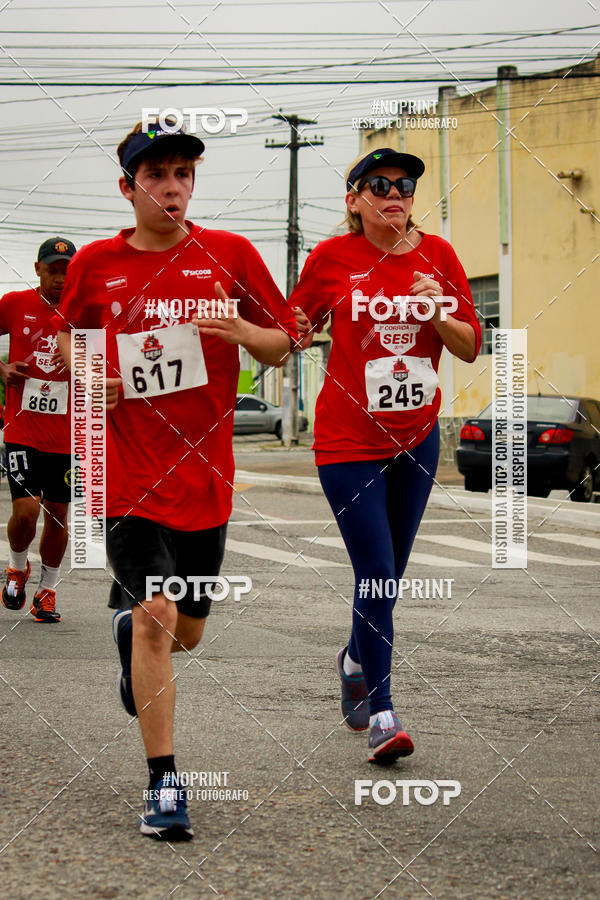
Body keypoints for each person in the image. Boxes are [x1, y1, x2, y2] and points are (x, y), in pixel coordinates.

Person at [56, 119, 296, 841]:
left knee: (185, 631)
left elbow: (283, 341)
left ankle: (130, 632)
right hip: (127, 474)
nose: (171, 187)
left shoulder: (231, 254)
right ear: (127, 187)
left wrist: (243, 333)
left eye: (183, 174)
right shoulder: (96, 264)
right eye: (156, 174)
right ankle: (164, 784)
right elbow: (70, 338)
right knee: (158, 616)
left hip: (205, 480)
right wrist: (90, 373)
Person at [290, 147, 481, 763]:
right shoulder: (331, 258)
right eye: (379, 184)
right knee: (375, 569)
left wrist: (439, 310)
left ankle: (354, 658)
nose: (395, 193)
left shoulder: (439, 256)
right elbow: (293, 326)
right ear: (354, 200)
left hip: (417, 438)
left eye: (405, 185)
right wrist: (285, 333)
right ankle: (383, 713)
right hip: (348, 441)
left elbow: (469, 346)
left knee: (388, 575)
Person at [0, 237, 77, 623]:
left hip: (68, 435)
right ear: (37, 270)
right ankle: (17, 566)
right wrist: (2, 370)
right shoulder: (15, 304)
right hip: (22, 431)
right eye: (53, 271)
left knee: (58, 513)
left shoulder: (86, 311)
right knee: (27, 510)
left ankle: (47, 589)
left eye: (67, 271)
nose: (60, 279)